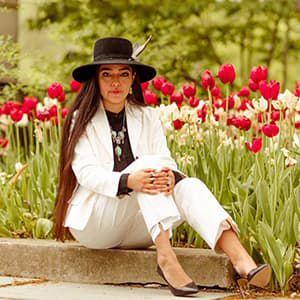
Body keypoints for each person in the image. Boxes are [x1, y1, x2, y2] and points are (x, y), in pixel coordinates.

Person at [54, 37, 271, 297]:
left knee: (188, 184)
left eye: (124, 74)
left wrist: (171, 177)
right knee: (147, 165)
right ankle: (166, 259)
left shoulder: (147, 116)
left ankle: (242, 261)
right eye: (107, 74)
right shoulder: (82, 120)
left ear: (133, 78)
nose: (116, 82)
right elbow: (86, 173)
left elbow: (165, 160)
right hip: (98, 224)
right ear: (96, 79)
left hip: (142, 227)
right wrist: (128, 181)